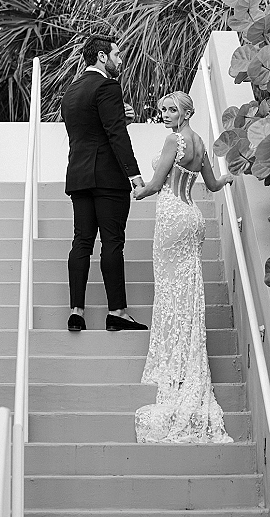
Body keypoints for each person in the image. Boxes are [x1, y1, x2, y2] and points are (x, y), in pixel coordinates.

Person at [132, 91, 234, 443]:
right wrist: (231, 176)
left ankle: (173, 363)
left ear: (186, 112)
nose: (164, 114)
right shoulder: (201, 142)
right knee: (187, 290)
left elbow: (157, 184)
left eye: (171, 109)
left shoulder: (173, 139)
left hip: (173, 216)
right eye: (161, 109)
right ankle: (187, 357)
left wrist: (138, 190)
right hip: (194, 217)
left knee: (170, 288)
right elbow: (214, 184)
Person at [61, 34, 148, 333]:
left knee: (81, 242)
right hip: (109, 178)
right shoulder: (108, 86)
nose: (120, 60)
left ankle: (76, 312)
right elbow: (114, 135)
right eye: (117, 54)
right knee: (112, 242)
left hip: (79, 175)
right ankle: (117, 312)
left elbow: (90, 129)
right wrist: (134, 176)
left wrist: (120, 121)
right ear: (102, 57)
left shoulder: (70, 92)